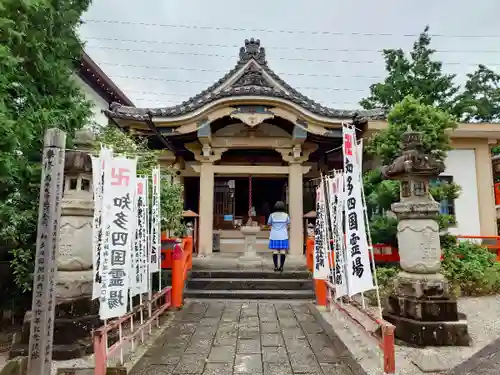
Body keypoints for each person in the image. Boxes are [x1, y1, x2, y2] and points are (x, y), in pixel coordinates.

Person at [267, 201, 290, 272]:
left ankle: (276, 267)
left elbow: (269, 224)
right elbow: (288, 225)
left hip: (274, 235)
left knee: (275, 251)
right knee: (283, 251)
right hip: (283, 235)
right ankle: (281, 267)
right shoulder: (286, 215)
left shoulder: (272, 215)